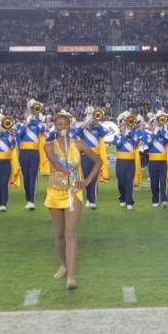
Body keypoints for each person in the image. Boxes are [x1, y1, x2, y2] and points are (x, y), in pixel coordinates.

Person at [44, 109, 102, 290]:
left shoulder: (78, 144)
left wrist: (87, 181)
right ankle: (63, 264)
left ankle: (71, 276)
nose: (61, 127)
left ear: (69, 126)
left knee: (70, 233)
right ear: (55, 127)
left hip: (73, 192)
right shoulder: (49, 145)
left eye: (64, 124)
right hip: (55, 191)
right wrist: (62, 169)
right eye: (58, 124)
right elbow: (53, 161)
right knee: (59, 235)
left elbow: (98, 160)